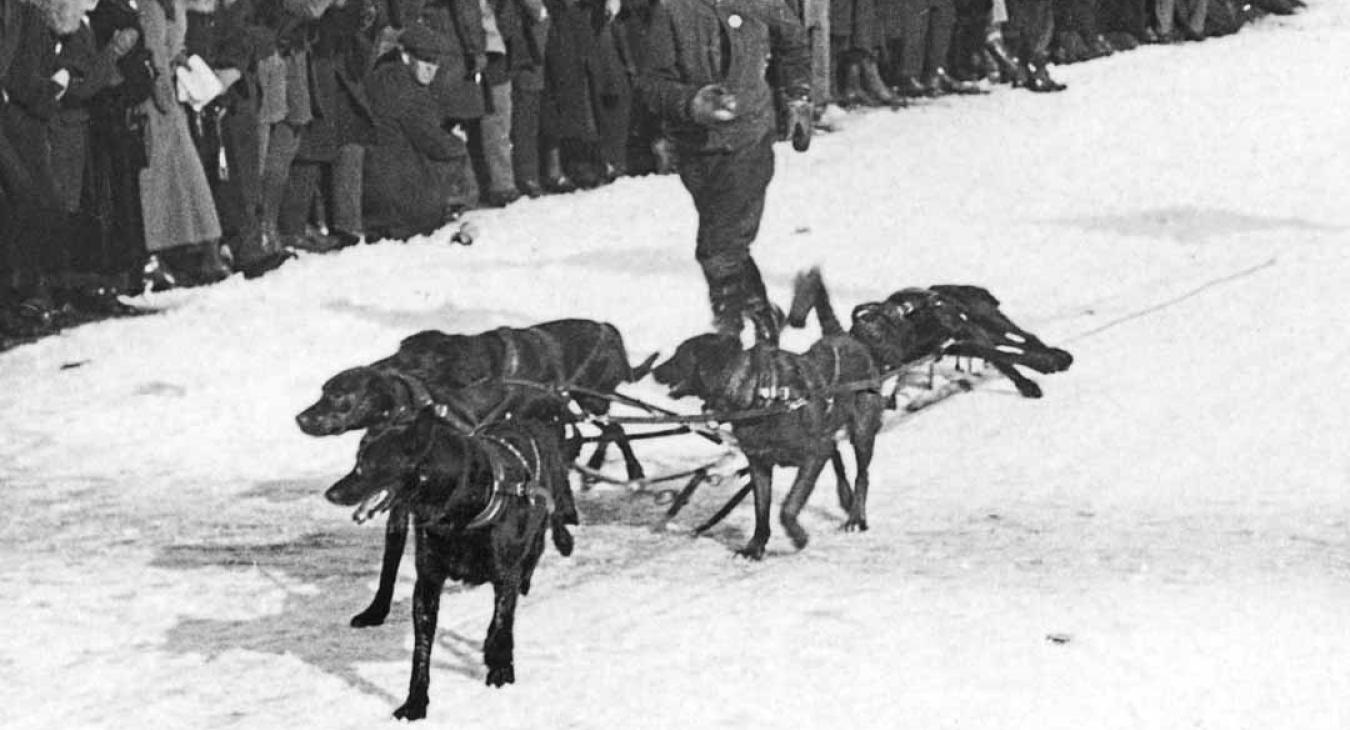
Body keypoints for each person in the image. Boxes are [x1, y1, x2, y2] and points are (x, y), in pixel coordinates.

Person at [637, 0, 812, 343]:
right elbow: (652, 83)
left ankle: (732, 332)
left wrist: (798, 98)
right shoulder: (673, 9)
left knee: (718, 247)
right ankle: (762, 315)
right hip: (696, 148)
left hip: (750, 139)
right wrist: (692, 102)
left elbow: (793, 42)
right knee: (727, 243)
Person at [362, 23, 470, 239]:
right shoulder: (405, 88)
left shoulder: (385, 75)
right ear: (405, 56)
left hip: (374, 186)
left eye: (435, 62)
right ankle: (444, 207)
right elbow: (432, 141)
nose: (431, 69)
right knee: (453, 151)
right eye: (425, 61)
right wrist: (458, 141)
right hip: (399, 200)